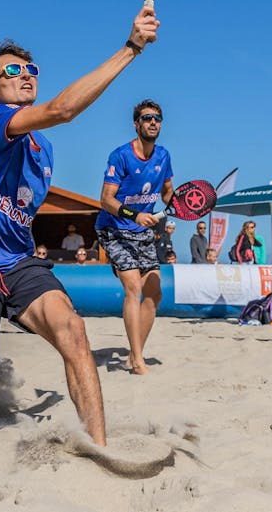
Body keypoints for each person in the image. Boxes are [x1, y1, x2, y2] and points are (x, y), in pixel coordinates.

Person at [0, 7, 157, 444]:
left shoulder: (43, 148)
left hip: (16, 263)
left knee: (73, 328)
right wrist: (131, 48)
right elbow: (65, 108)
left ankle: (98, 446)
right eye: (12, 70)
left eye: (31, 69)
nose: (26, 75)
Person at [95, 99, 174, 377]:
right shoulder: (120, 156)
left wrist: (180, 203)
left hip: (143, 232)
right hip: (114, 228)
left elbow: (167, 193)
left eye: (157, 118)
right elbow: (106, 199)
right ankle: (138, 359)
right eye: (147, 118)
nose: (153, 122)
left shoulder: (163, 156)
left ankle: (132, 351)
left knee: (154, 292)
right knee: (133, 286)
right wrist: (134, 214)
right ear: (136, 124)